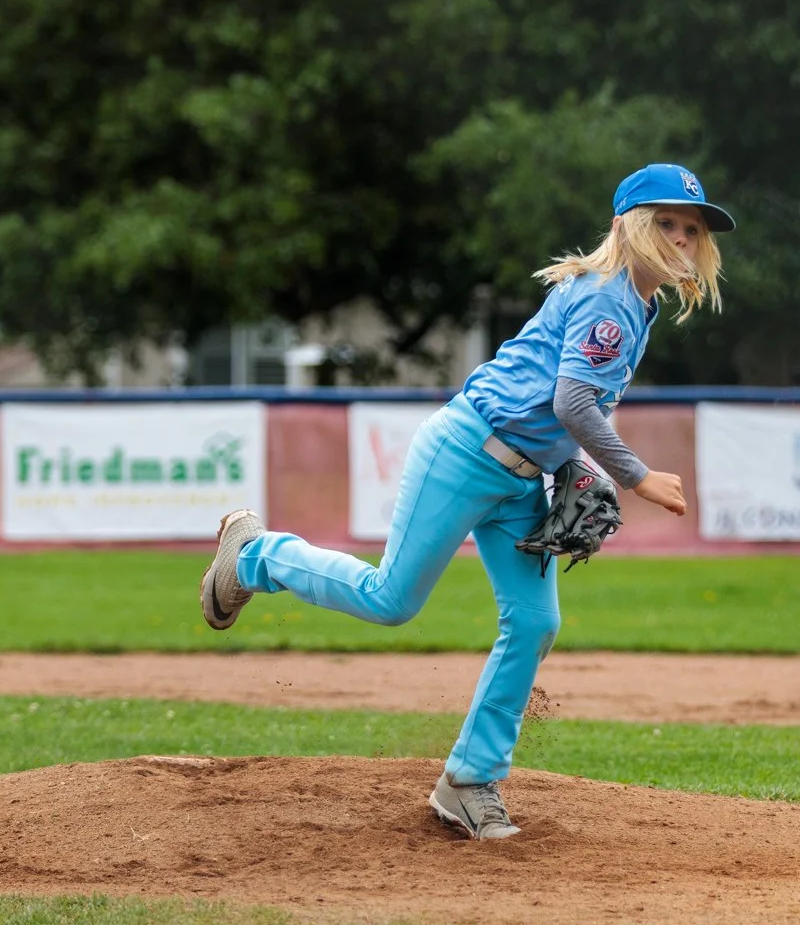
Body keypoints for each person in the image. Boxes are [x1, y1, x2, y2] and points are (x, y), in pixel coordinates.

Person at [199, 162, 734, 839]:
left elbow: (554, 396)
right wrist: (634, 475)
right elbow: (572, 401)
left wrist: (567, 467)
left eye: (692, 227)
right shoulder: (609, 297)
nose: (683, 235)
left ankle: (470, 780)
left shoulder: (636, 301)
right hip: (465, 453)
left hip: (521, 477)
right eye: (667, 222)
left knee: (535, 623)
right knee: (390, 599)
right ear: (625, 226)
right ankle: (254, 555)